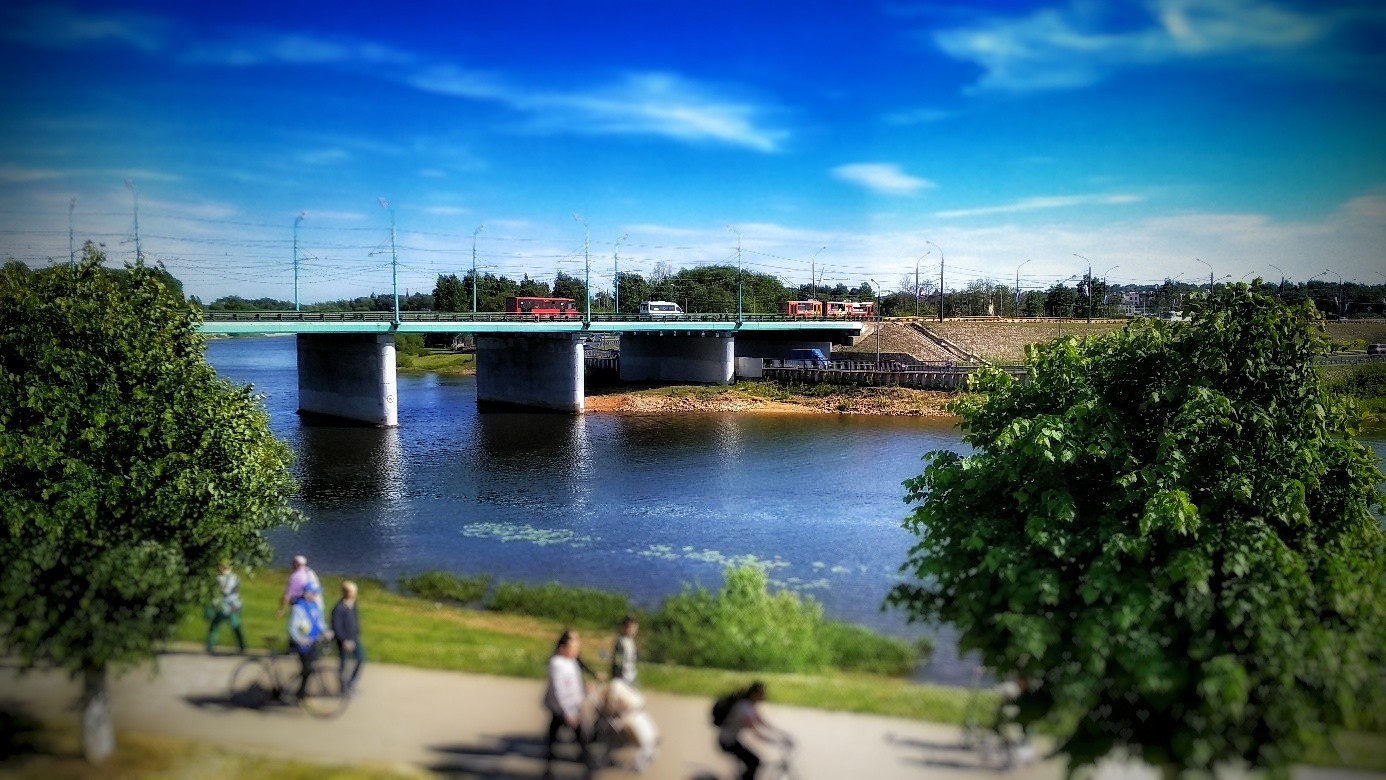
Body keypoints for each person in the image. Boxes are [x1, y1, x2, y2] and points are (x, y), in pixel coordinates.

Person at [718, 681, 792, 780]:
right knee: (754, 762)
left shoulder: (749, 706)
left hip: (731, 739)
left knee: (752, 763)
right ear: (754, 695)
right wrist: (777, 742)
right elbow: (757, 733)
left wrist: (783, 735)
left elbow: (763, 723)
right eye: (761, 694)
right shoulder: (744, 709)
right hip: (727, 742)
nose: (763, 697)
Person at [544, 629, 592, 775]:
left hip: (571, 705)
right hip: (562, 707)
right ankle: (586, 762)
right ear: (562, 648)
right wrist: (569, 713)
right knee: (576, 734)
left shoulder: (571, 662)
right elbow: (560, 691)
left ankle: (550, 764)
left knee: (555, 735)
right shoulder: (557, 664)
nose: (577, 651)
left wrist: (585, 689)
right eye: (574, 647)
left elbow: (574, 685)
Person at [287, 581, 327, 699]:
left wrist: (326, 632)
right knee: (308, 668)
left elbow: (320, 623)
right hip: (301, 645)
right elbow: (292, 627)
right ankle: (300, 693)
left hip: (312, 643)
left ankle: (301, 691)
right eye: (314, 593)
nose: (316, 596)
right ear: (307, 594)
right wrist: (300, 639)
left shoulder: (315, 606)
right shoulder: (298, 608)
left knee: (310, 668)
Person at [331, 580, 364, 696]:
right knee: (343, 665)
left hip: (354, 638)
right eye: (352, 592)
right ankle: (342, 689)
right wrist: (344, 640)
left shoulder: (353, 604)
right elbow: (336, 626)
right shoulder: (339, 608)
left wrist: (357, 632)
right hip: (343, 641)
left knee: (360, 659)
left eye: (355, 592)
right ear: (345, 592)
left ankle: (351, 683)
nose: (354, 594)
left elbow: (355, 619)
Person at [205, 561, 245, 654]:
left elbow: (229, 591)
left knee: (235, 626)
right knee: (216, 625)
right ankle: (210, 645)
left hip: (231, 605)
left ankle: (241, 645)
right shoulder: (222, 577)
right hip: (224, 604)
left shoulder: (230, 578)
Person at [610, 615, 639, 686]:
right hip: (623, 678)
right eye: (631, 627)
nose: (634, 630)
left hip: (631, 676)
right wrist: (617, 679)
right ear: (624, 628)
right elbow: (618, 662)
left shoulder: (631, 642)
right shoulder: (620, 643)